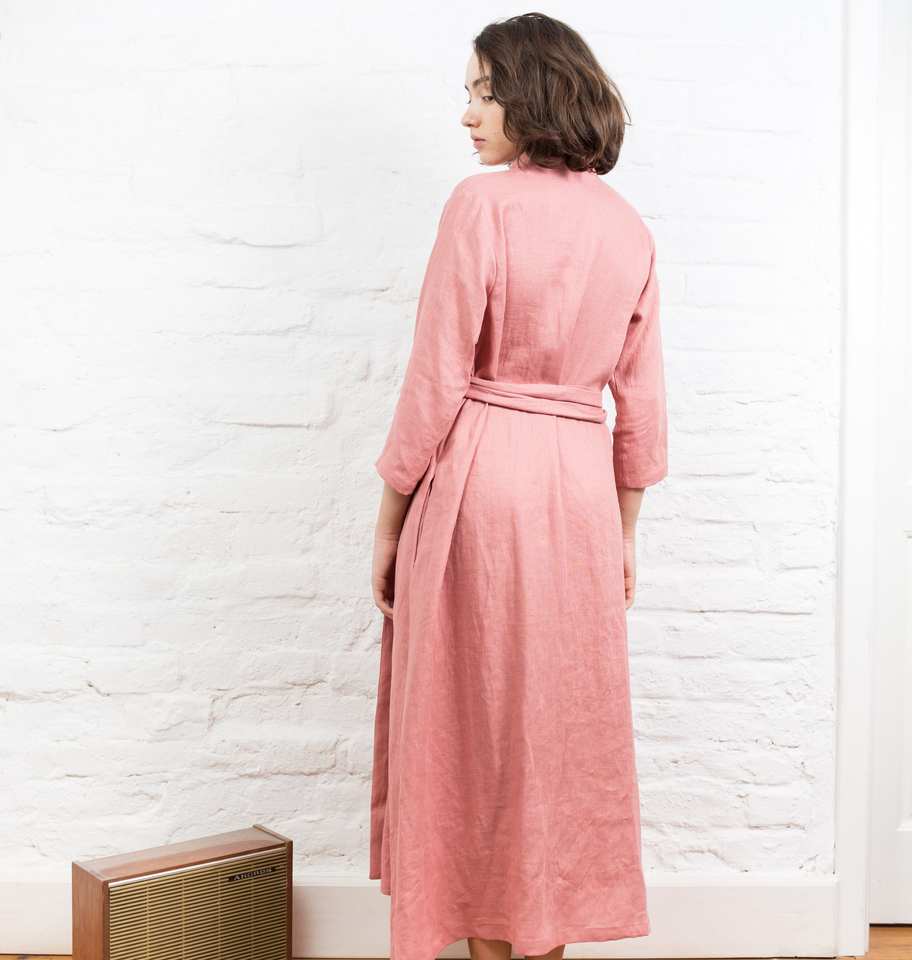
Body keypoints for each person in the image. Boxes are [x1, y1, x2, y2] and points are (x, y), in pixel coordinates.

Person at [369, 13, 668, 960]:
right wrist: (625, 530)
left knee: (469, 729)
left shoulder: (481, 206)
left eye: (484, 92)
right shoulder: (629, 229)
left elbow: (436, 378)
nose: (468, 115)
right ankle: (541, 940)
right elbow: (643, 406)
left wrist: (389, 518)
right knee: (556, 731)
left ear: (532, 95)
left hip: (481, 483)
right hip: (579, 495)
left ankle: (484, 941)